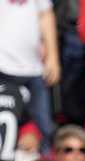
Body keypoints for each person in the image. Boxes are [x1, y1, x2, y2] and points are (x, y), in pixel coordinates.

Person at [0, 0, 58, 148]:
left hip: (34, 69)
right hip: (3, 68)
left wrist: (53, 57)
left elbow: (46, 15)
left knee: (45, 128)